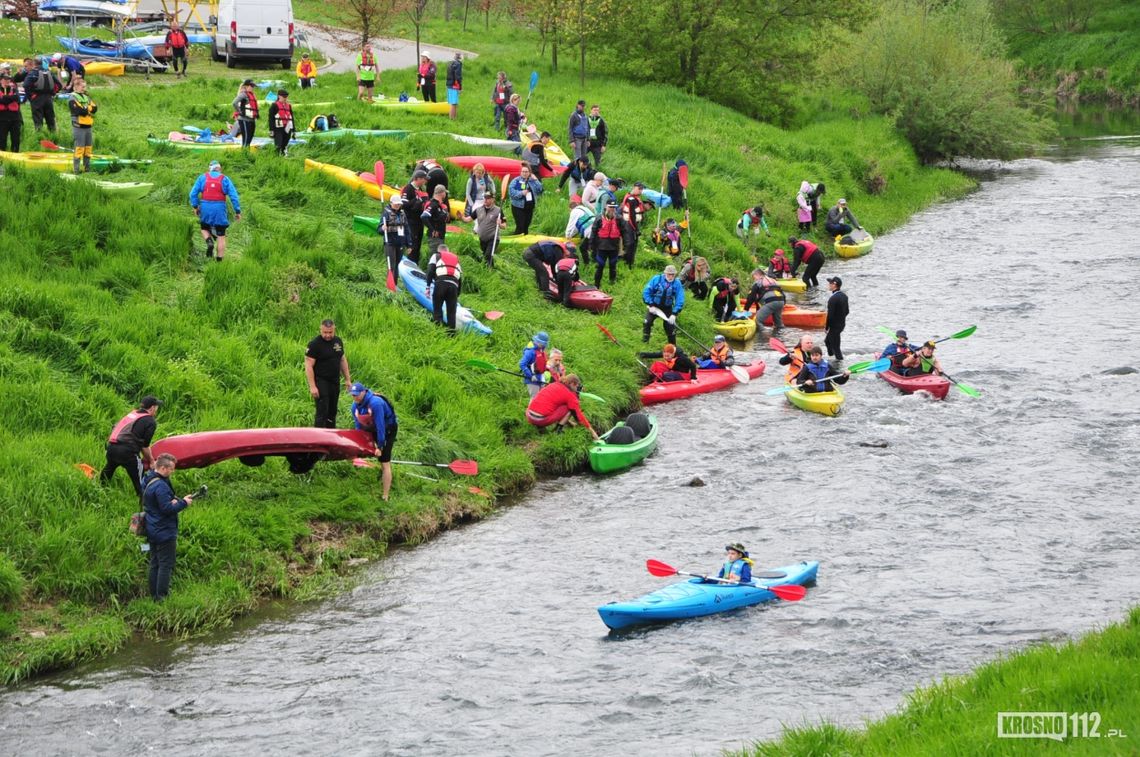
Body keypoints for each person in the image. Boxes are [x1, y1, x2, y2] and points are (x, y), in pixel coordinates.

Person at [142, 453, 195, 601]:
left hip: (152, 528)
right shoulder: (161, 486)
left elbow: (157, 503)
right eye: (171, 469)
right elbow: (166, 509)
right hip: (164, 530)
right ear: (163, 468)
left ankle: (154, 595)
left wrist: (172, 501)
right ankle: (162, 598)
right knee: (165, 564)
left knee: (154, 563)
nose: (173, 472)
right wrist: (183, 503)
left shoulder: (148, 478)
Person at [101, 396, 161, 499]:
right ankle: (144, 504)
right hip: (127, 453)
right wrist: (151, 461)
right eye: (156, 407)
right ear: (152, 408)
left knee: (108, 470)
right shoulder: (150, 421)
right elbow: (144, 446)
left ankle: (100, 490)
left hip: (111, 448)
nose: (156, 410)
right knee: (140, 481)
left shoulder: (132, 415)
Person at [350, 382, 398, 501]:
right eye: (352, 395)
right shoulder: (354, 407)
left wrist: (380, 447)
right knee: (360, 453)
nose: (354, 397)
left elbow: (380, 427)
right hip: (370, 428)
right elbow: (358, 427)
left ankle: (385, 496)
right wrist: (359, 444)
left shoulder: (376, 404)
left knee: (384, 461)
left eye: (356, 395)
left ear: (363, 392)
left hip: (387, 430)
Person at [188, 160, 241, 261]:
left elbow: (192, 194)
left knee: (204, 228)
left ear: (210, 168)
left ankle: (209, 242)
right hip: (219, 210)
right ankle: (219, 262)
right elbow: (234, 196)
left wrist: (195, 206)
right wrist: (237, 211)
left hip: (205, 209)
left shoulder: (202, 178)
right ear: (219, 169)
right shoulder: (225, 179)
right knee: (221, 236)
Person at [305, 319, 352, 427]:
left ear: (334, 330)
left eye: (330, 332)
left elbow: (342, 360)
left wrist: (348, 379)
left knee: (332, 411)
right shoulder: (314, 344)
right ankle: (318, 439)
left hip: (334, 381)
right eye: (325, 332)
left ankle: (331, 437)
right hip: (321, 381)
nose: (327, 335)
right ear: (320, 330)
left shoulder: (338, 341)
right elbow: (308, 366)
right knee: (322, 411)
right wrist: (312, 386)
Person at [525, 374, 597, 437]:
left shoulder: (553, 384)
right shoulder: (570, 396)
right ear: (572, 384)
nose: (576, 389)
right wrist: (592, 431)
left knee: (556, 404)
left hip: (529, 415)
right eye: (577, 386)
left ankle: (540, 426)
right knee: (570, 408)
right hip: (541, 419)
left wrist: (570, 423)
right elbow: (578, 416)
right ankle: (558, 430)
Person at [425, 244, 462, 334]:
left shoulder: (436, 255)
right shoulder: (456, 258)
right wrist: (457, 294)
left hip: (441, 283)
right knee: (451, 313)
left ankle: (439, 331)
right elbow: (460, 278)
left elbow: (430, 271)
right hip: (454, 285)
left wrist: (428, 287)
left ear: (439, 250)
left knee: (437, 309)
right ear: (448, 251)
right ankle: (451, 335)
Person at [642, 265, 685, 344]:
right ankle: (645, 342)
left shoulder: (677, 283)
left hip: (667, 308)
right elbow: (646, 292)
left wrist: (674, 314)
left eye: (673, 274)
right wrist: (651, 305)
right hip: (654, 306)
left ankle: (672, 347)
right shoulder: (656, 279)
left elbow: (680, 299)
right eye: (669, 274)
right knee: (647, 322)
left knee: (670, 328)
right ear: (665, 273)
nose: (671, 276)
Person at [590, 202, 629, 287]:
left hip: (614, 247)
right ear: (606, 207)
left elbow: (624, 233)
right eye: (610, 207)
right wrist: (591, 245)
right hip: (601, 247)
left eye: (614, 207)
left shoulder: (619, 218)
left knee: (613, 266)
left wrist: (626, 246)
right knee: (600, 266)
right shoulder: (599, 218)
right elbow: (593, 232)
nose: (612, 209)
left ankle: (612, 283)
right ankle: (596, 285)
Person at [67, 77, 97, 174]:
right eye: (82, 87)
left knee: (88, 149)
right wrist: (88, 108)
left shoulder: (86, 97)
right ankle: (76, 170)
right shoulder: (72, 98)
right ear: (76, 86)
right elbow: (79, 111)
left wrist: (86, 108)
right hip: (78, 127)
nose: (84, 88)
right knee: (79, 149)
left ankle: (86, 169)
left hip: (88, 127)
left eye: (85, 87)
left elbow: (95, 109)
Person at [467, 193, 506, 267]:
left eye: (488, 198)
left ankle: (488, 271)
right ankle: (491, 269)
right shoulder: (478, 210)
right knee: (486, 256)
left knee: (488, 255)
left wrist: (500, 224)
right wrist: (462, 218)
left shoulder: (498, 210)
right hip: (482, 238)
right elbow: (468, 219)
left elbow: (504, 226)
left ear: (492, 200)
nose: (485, 200)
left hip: (493, 238)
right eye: (484, 198)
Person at [379, 194, 411, 278]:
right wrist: (382, 228)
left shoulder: (402, 214)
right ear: (391, 203)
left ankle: (395, 285)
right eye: (396, 203)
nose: (398, 205)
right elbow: (379, 230)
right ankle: (390, 286)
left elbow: (407, 230)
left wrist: (409, 245)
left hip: (400, 243)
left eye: (399, 204)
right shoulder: (385, 213)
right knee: (391, 265)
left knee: (397, 265)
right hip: (390, 243)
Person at [744, 270, 785, 335]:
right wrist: (783, 304)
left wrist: (746, 310)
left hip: (771, 302)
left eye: (754, 277)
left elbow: (751, 298)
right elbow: (783, 293)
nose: (754, 279)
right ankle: (780, 336)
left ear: (757, 275)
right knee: (778, 324)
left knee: (757, 321)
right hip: (781, 301)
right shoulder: (774, 281)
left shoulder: (758, 282)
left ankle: (763, 337)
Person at [401, 169, 429, 263]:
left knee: (418, 244)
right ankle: (409, 264)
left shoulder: (421, 189)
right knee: (412, 244)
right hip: (411, 221)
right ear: (417, 179)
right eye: (424, 179)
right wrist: (415, 201)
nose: (425, 181)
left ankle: (415, 264)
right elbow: (403, 205)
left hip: (419, 221)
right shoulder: (408, 188)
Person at [25, 57, 59, 132]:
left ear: (34, 64)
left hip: (37, 98)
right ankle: (53, 136)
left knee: (38, 120)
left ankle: (39, 137)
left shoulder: (33, 72)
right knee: (50, 119)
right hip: (48, 99)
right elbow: (59, 85)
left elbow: (26, 85)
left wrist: (30, 97)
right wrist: (53, 93)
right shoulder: (49, 72)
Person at [508, 165, 543, 234]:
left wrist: (536, 180)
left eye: (526, 172)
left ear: (529, 173)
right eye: (523, 171)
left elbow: (540, 189)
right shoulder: (516, 181)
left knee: (526, 227)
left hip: (529, 208)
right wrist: (521, 193)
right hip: (518, 207)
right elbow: (511, 193)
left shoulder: (533, 181)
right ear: (520, 172)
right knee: (520, 226)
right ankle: (515, 241)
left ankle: (524, 241)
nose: (524, 173)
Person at [620, 182, 647, 268]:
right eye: (639, 189)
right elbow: (631, 216)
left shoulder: (635, 198)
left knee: (633, 244)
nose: (640, 191)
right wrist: (635, 228)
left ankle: (630, 262)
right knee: (630, 244)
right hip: (629, 224)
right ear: (634, 188)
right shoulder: (631, 199)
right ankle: (627, 263)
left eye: (641, 189)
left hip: (633, 224)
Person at [420, 184, 451, 257]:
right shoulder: (433, 204)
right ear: (442, 193)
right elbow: (424, 216)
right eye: (445, 193)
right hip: (435, 237)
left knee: (439, 257)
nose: (445, 195)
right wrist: (432, 230)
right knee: (435, 258)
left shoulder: (439, 205)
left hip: (440, 236)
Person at [824, 276, 848, 361]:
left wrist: (827, 327)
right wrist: (841, 319)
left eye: (830, 283)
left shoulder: (833, 299)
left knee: (835, 346)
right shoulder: (844, 296)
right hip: (841, 325)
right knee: (827, 341)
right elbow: (847, 311)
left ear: (835, 285)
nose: (829, 285)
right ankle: (831, 357)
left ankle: (838, 363)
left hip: (834, 326)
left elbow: (830, 315)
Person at [519, 332, 549, 397]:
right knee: (534, 399)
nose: (543, 345)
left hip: (540, 378)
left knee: (540, 399)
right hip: (532, 379)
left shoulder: (541, 351)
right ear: (537, 341)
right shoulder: (530, 352)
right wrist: (530, 376)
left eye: (544, 344)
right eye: (542, 343)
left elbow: (540, 364)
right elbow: (522, 364)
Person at [0, 69, 23, 153]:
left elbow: (17, 98)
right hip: (2, 118)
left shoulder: (14, 89)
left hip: (15, 118)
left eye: (8, 79)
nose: (7, 81)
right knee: (2, 139)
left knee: (16, 139)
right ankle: (2, 156)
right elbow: (12, 99)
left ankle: (15, 155)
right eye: (5, 79)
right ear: (1, 80)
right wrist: (10, 99)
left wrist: (4, 98)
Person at [268, 88, 294, 155]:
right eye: (284, 96)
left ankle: (283, 156)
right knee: (278, 145)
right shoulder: (274, 105)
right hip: (278, 129)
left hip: (288, 128)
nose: (285, 98)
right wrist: (271, 130)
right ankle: (276, 158)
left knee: (284, 145)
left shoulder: (289, 106)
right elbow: (270, 119)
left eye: (286, 96)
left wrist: (294, 130)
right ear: (279, 96)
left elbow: (292, 118)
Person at [232, 79, 258, 147]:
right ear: (246, 86)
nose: (253, 88)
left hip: (252, 120)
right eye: (251, 86)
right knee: (246, 139)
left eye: (253, 86)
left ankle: (246, 153)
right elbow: (234, 103)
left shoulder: (252, 95)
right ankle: (245, 154)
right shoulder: (243, 94)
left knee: (249, 139)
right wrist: (240, 112)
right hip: (244, 120)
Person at [445, 52, 462, 120]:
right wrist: (460, 87)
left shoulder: (450, 63)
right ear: (459, 58)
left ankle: (453, 117)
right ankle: (452, 118)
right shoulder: (458, 64)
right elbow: (458, 76)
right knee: (454, 103)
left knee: (452, 103)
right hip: (455, 85)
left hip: (449, 84)